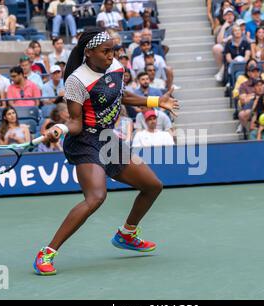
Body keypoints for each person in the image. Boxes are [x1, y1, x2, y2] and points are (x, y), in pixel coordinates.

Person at [33, 27, 179, 276]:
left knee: (153, 185)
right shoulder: (76, 80)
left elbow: (120, 96)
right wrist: (59, 127)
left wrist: (155, 101)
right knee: (96, 197)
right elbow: (76, 123)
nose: (112, 55)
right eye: (106, 51)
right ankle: (47, 253)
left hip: (108, 140)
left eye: (114, 50)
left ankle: (127, 234)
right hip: (85, 141)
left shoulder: (116, 69)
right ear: (89, 52)